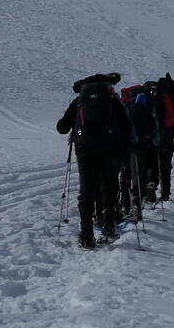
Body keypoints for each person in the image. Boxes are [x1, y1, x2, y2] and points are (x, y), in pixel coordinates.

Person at [56, 72, 131, 248]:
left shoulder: (79, 101)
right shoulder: (112, 100)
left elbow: (61, 128)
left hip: (85, 151)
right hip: (110, 150)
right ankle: (108, 227)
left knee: (87, 191)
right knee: (109, 187)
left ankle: (86, 235)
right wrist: (124, 148)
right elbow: (127, 125)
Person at [119, 82, 160, 212]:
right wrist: (156, 141)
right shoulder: (147, 102)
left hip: (126, 142)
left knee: (125, 174)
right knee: (140, 172)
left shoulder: (125, 102)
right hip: (143, 142)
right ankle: (138, 202)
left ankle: (125, 204)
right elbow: (154, 123)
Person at [153, 73, 174, 199]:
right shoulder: (173, 102)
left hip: (152, 137)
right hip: (167, 136)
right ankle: (165, 193)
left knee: (152, 163)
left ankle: (150, 191)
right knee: (165, 165)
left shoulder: (153, 98)